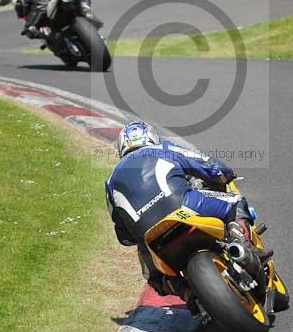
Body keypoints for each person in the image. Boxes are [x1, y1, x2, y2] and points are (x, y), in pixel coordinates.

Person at [105, 121, 260, 301]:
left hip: (147, 233)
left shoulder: (110, 183)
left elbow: (123, 236)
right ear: (151, 138)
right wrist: (224, 173)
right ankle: (242, 246)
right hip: (183, 206)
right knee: (236, 201)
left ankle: (187, 294)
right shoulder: (162, 149)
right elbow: (210, 167)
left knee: (155, 278)